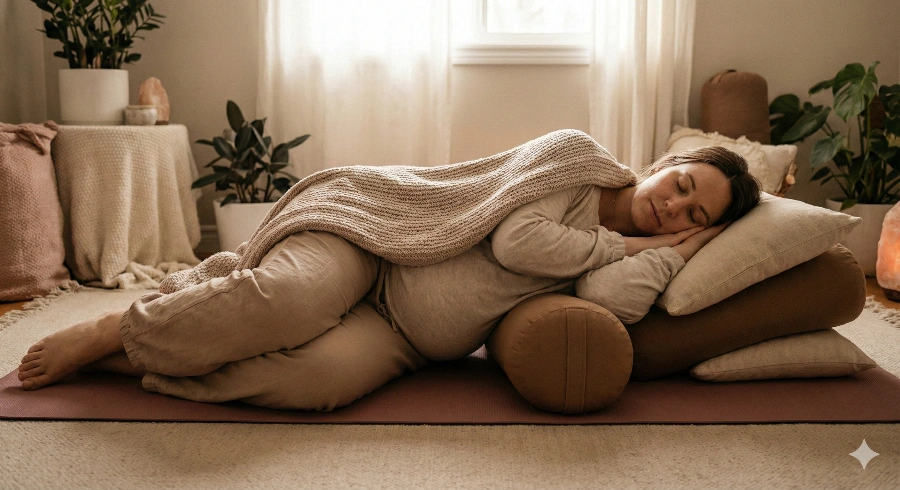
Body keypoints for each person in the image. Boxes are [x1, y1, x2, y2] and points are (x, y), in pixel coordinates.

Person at [16, 144, 761, 411]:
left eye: (694, 212)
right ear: (668, 164)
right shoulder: (577, 161)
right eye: (685, 182)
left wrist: (673, 256)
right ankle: (116, 324)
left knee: (314, 385)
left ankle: (144, 355)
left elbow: (611, 300)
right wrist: (619, 248)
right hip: (374, 233)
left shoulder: (635, 254)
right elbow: (517, 242)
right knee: (292, 299)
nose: (676, 205)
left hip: (403, 330)